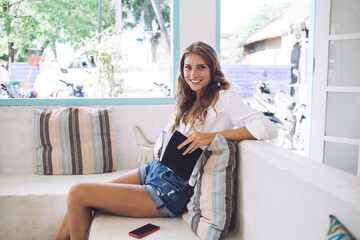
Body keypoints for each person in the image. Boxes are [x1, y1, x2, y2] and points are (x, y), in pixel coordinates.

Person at [54, 41, 278, 240]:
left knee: (78, 192)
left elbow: (267, 128)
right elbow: (162, 143)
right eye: (188, 67)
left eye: (201, 67)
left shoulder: (223, 98)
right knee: (85, 197)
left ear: (212, 69)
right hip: (155, 169)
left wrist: (212, 137)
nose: (193, 74)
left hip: (172, 189)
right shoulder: (186, 98)